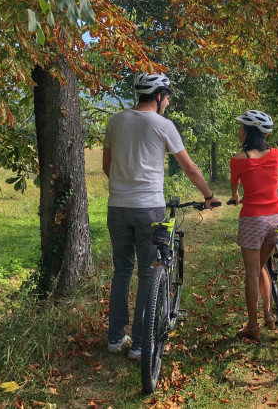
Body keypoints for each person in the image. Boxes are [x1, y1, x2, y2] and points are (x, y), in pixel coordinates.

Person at [102, 72, 220, 358]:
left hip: (117, 207)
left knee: (121, 271)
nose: (167, 103)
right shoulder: (163, 125)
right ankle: (140, 344)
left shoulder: (115, 121)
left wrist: (125, 187)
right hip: (149, 209)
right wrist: (208, 195)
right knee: (148, 273)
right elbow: (190, 168)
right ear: (158, 96)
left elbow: (107, 166)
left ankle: (115, 338)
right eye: (166, 98)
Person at [229, 110, 278, 341]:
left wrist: (236, 197)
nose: (239, 131)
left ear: (247, 132)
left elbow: (235, 187)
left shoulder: (238, 159)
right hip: (276, 218)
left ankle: (253, 326)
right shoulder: (277, 154)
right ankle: (269, 315)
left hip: (253, 219)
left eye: (241, 128)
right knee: (261, 266)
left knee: (252, 273)